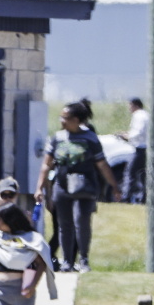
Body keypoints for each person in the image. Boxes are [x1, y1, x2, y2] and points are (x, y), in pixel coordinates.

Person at [35, 101, 120, 272]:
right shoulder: (57, 138)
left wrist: (114, 186)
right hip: (62, 185)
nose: (62, 121)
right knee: (63, 224)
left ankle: (84, 260)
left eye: (65, 118)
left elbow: (102, 164)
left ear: (76, 120)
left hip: (85, 186)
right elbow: (47, 165)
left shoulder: (90, 138)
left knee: (81, 221)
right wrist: (40, 187)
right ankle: (67, 261)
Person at [119, 97, 149, 203]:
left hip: (140, 148)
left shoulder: (139, 115)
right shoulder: (145, 114)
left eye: (130, 106)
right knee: (143, 175)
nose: (129, 109)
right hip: (146, 148)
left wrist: (127, 136)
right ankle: (143, 198)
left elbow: (139, 132)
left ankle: (126, 197)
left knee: (130, 173)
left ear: (135, 105)